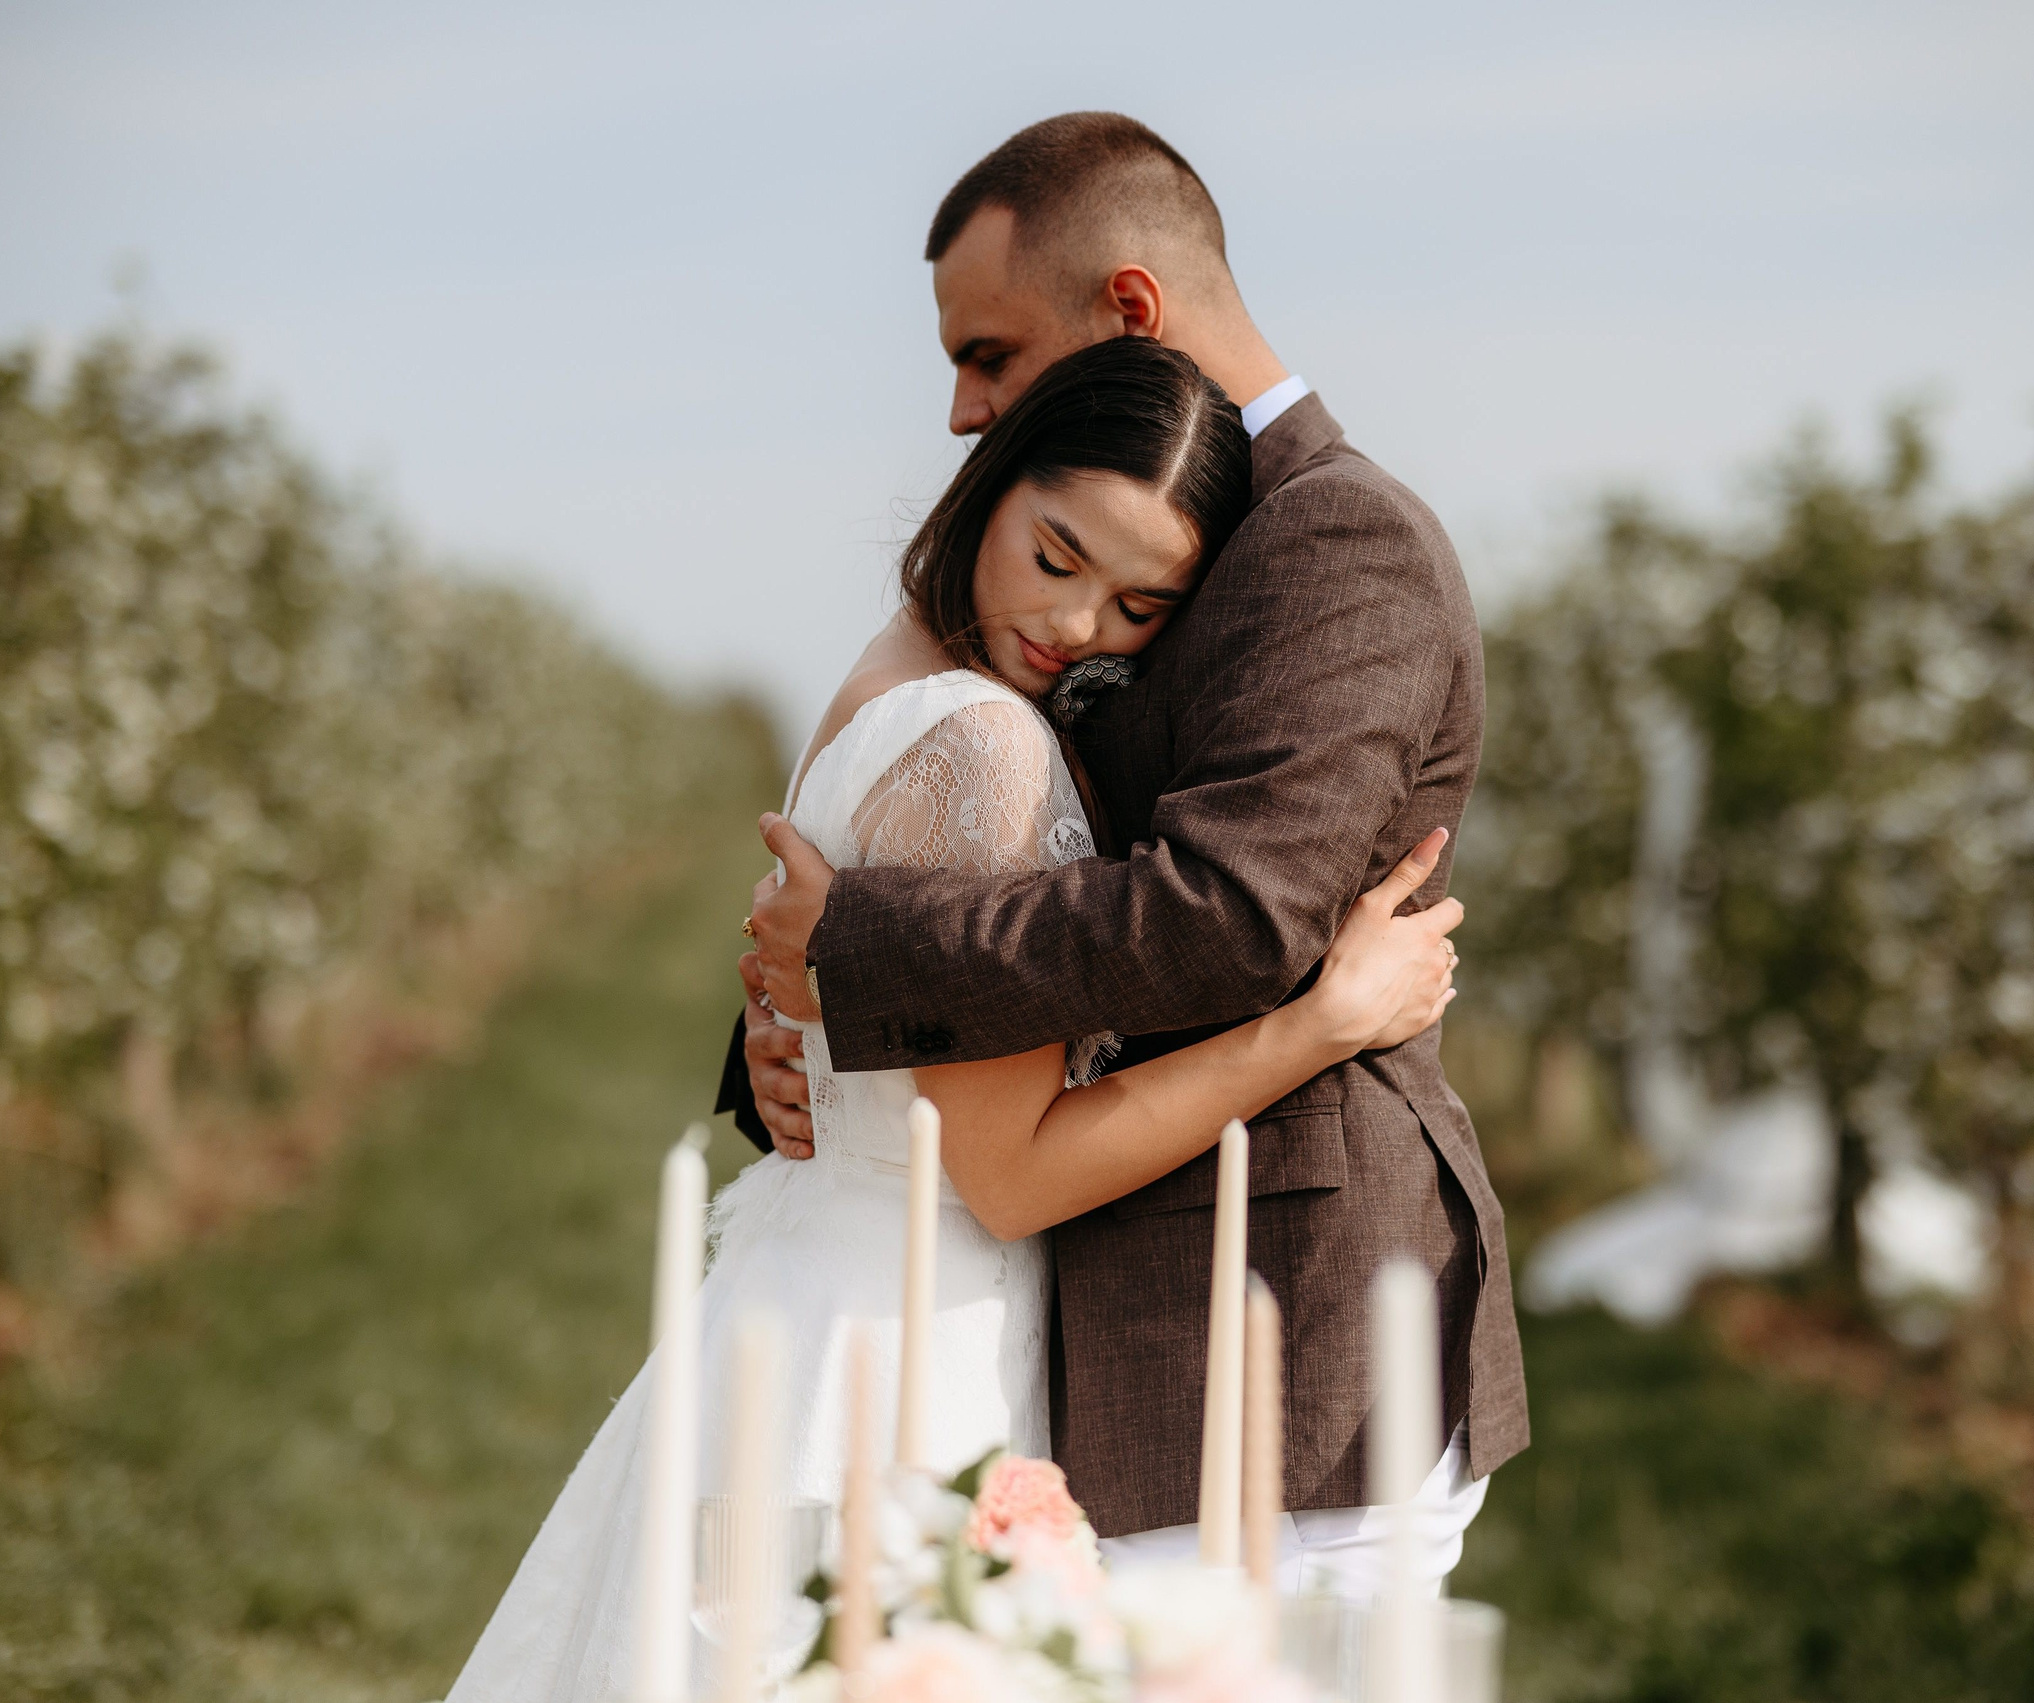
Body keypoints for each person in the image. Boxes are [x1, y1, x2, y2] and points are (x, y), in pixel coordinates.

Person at [447, 337, 1462, 1702]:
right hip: (902, 1350)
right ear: (992, 488)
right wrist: (1320, 1024)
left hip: (802, 1300)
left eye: (1140, 604)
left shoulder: (886, 668)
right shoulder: (983, 744)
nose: (1079, 625)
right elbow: (1012, 1171)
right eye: (1056, 557)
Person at [731, 112, 1528, 1597]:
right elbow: (972, 839)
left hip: (1280, 1340)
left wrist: (857, 957)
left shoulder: (1338, 541)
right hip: (1105, 1305)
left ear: (1131, 313)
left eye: (989, 352)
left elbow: (1234, 916)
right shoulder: (1154, 542)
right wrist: (800, 1028)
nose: (966, 410)